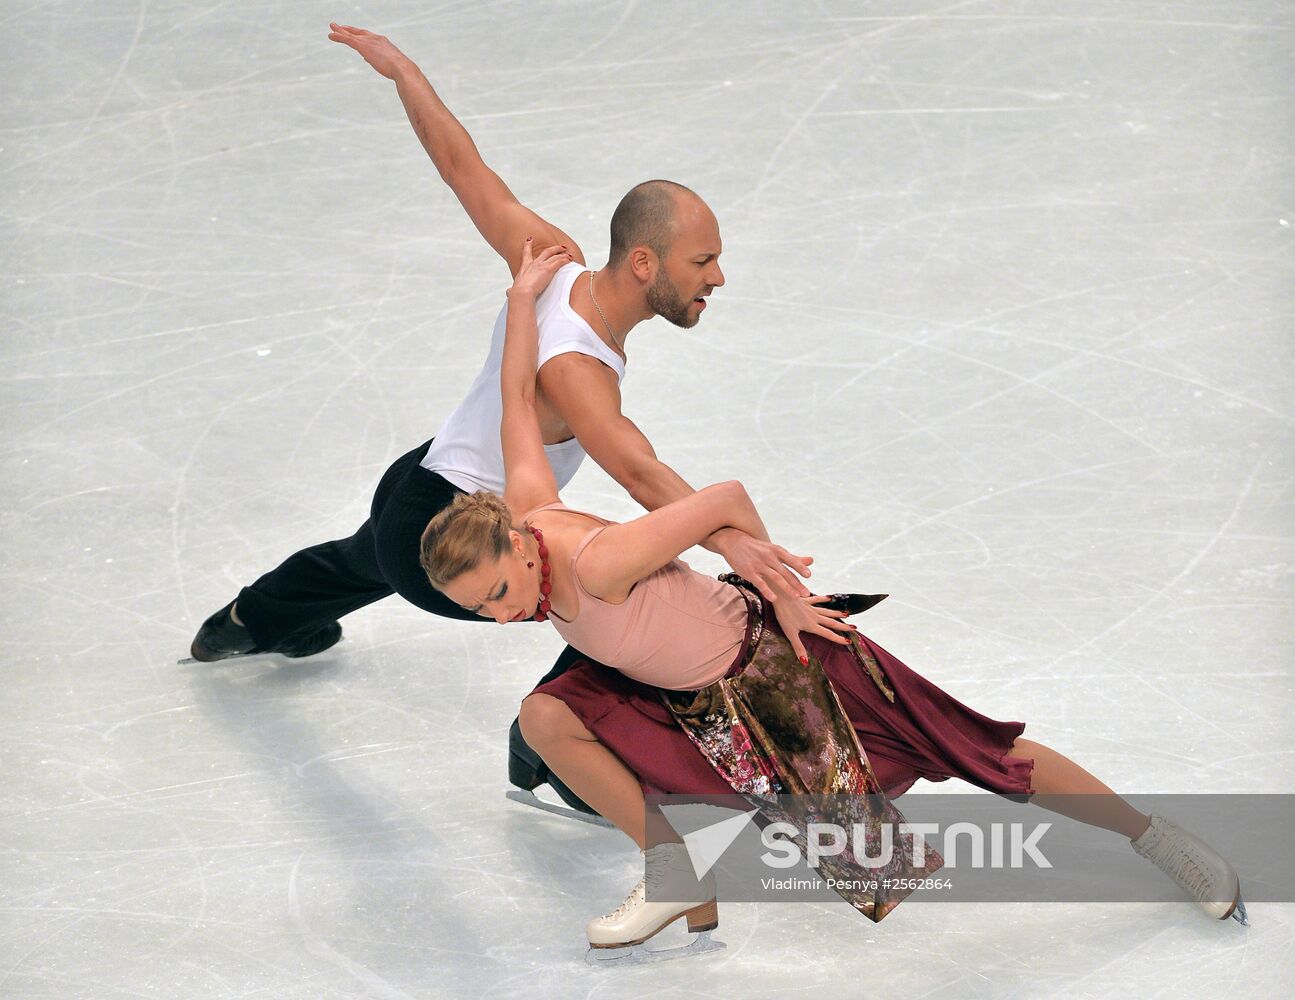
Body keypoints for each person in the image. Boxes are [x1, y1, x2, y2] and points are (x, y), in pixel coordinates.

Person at [421, 238, 1248, 957]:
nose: (499, 616)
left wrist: (772, 582)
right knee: (545, 716)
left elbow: (720, 496)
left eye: (497, 593)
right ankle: (671, 869)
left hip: (783, 669)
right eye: (479, 609)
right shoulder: (526, 503)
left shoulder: (596, 562)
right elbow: (514, 402)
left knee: (973, 756)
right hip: (689, 697)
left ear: (520, 551)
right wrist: (521, 300)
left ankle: (1159, 838)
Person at [188, 25, 814, 812]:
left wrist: (404, 73)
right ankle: (547, 753)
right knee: (615, 615)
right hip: (464, 525)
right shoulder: (578, 371)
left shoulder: (551, 260)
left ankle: (248, 619)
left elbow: (463, 169)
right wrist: (740, 546)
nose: (716, 278)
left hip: (417, 486)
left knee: (367, 555)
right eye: (701, 263)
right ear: (645, 263)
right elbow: (641, 472)